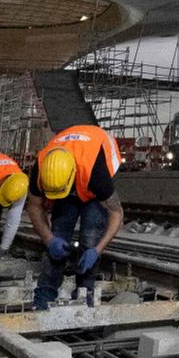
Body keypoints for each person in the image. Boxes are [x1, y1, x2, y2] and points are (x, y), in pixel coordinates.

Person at [25, 123, 124, 309]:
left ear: (71, 177)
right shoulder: (43, 167)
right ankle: (45, 293)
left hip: (94, 157)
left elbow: (116, 213)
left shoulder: (96, 174)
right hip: (72, 165)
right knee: (59, 230)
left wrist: (97, 250)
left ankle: (85, 293)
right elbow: (34, 207)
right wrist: (49, 240)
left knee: (91, 233)